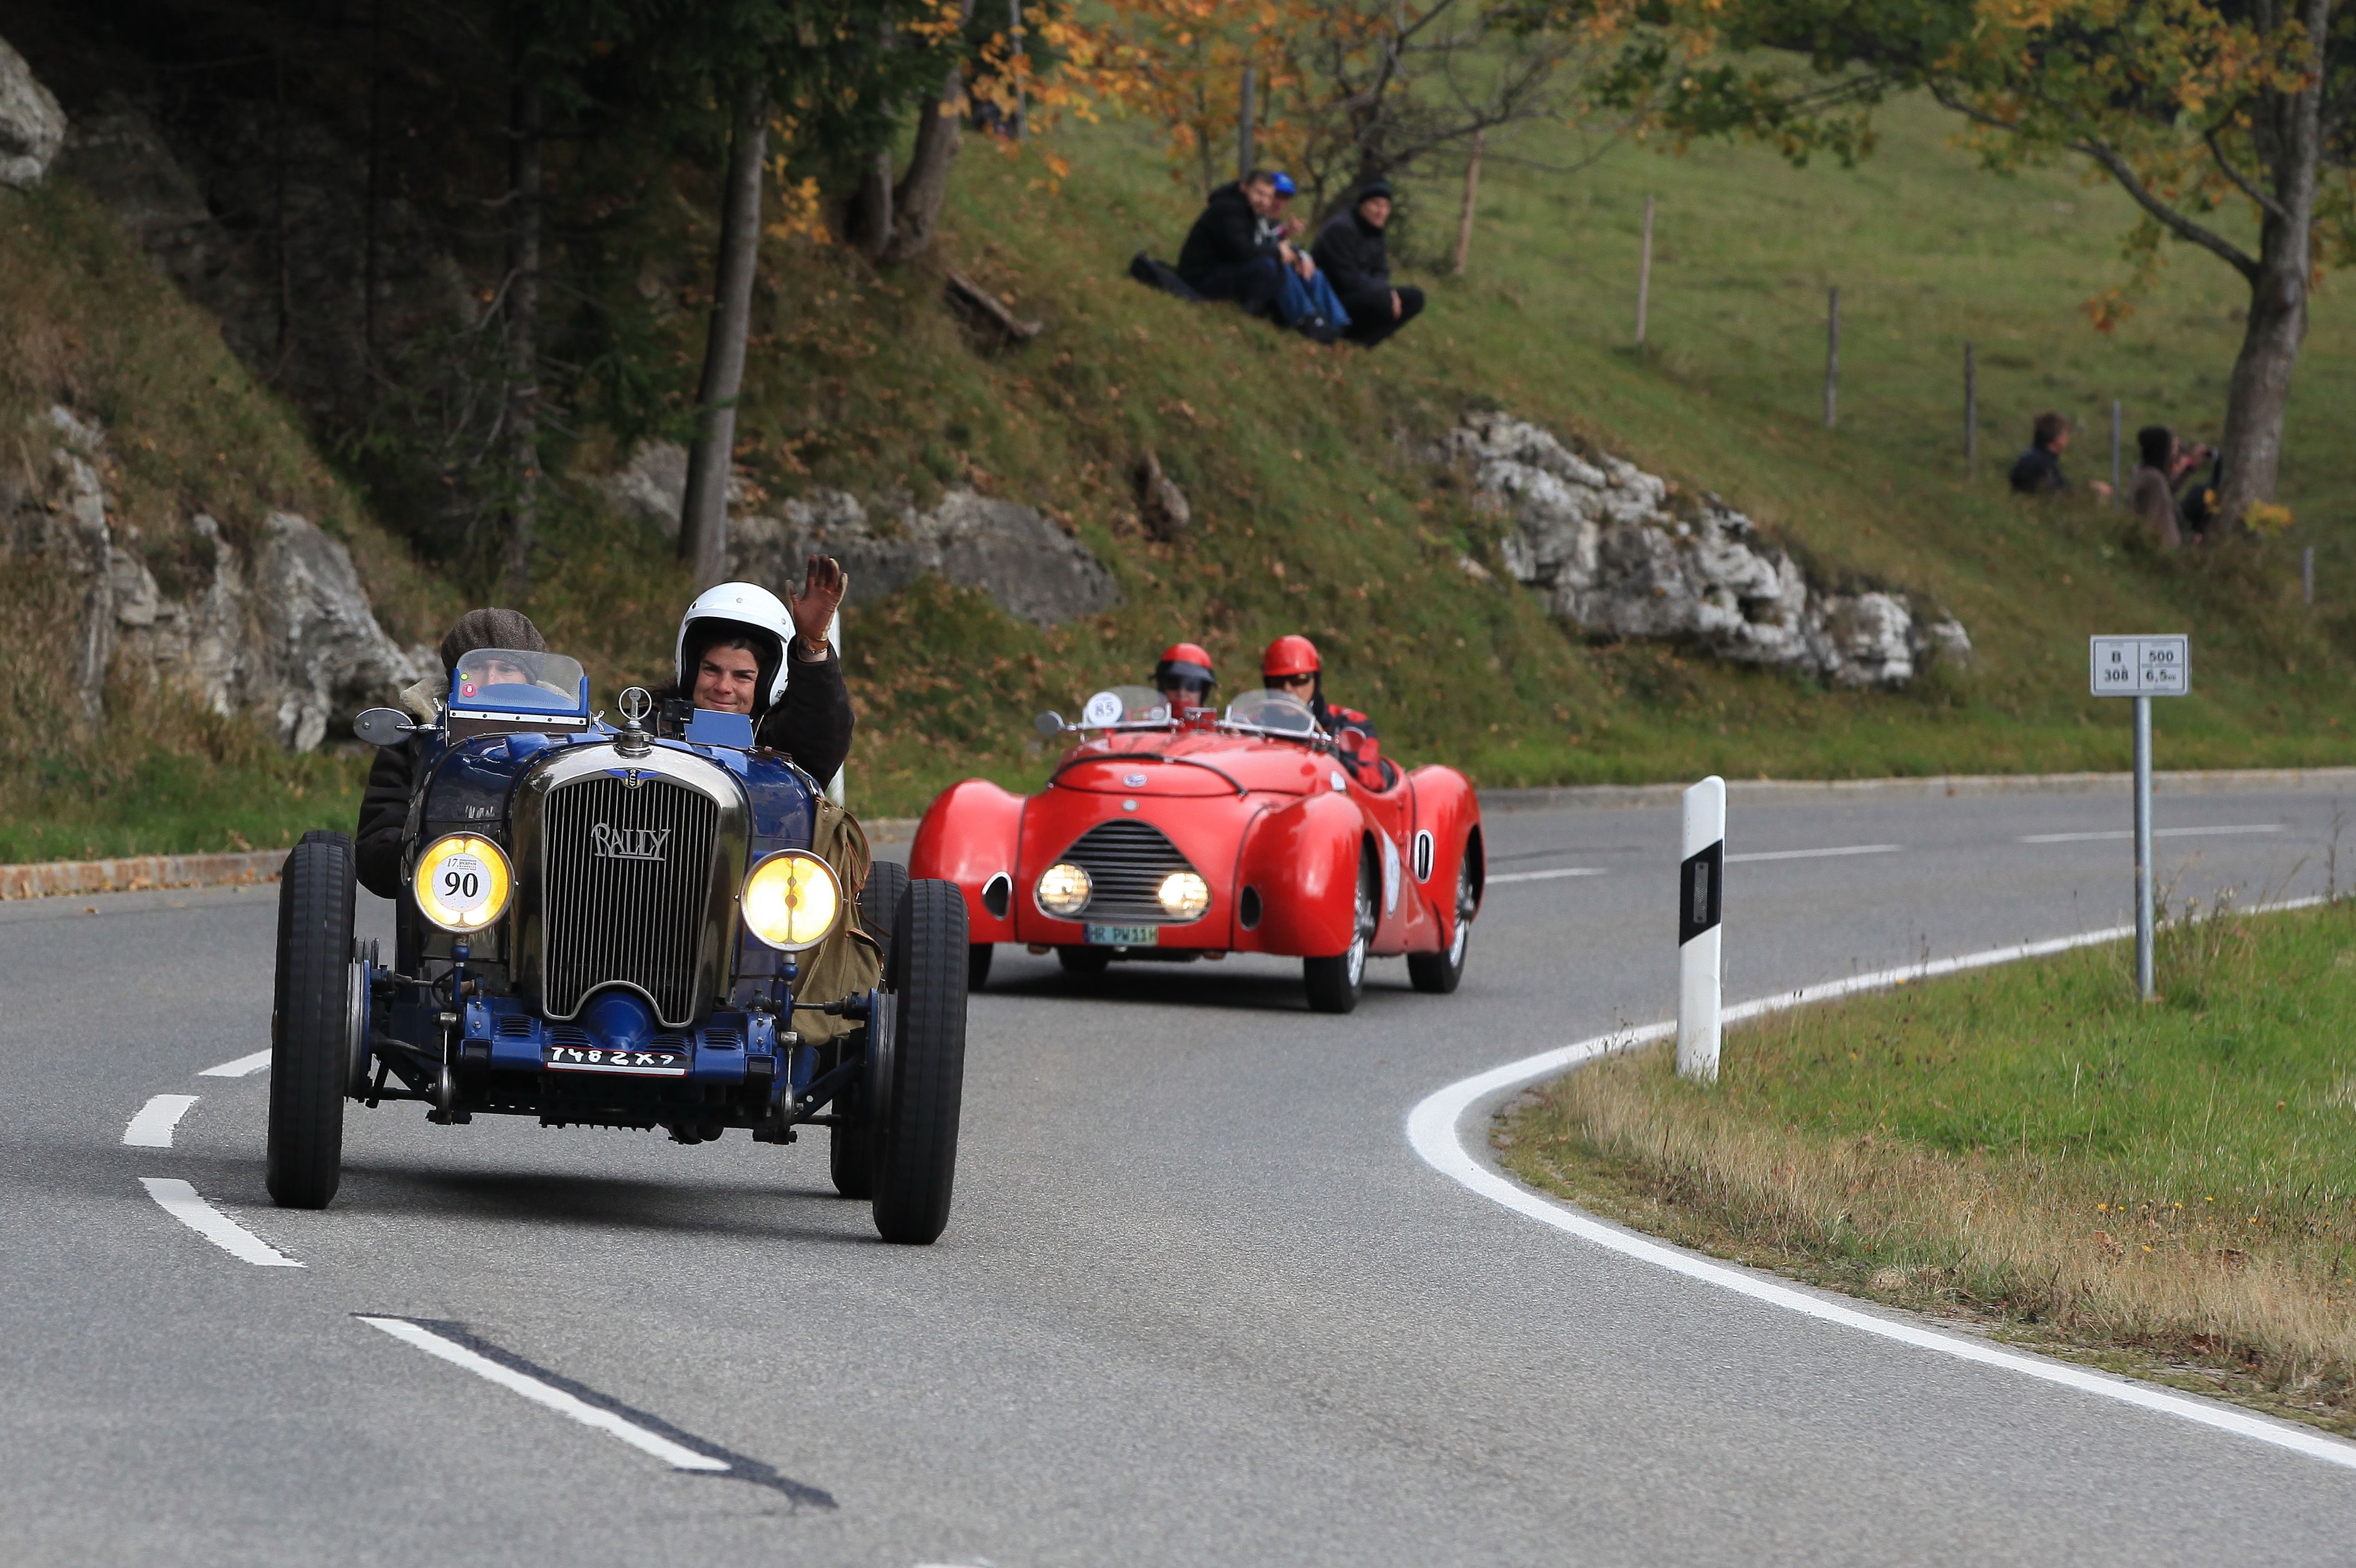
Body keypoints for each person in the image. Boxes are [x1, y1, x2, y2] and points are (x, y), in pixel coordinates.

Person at [355, 607, 545, 900]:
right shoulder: (415, 736)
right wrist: (423, 848)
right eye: (477, 667)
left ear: (529, 679)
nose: (490, 681)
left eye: (506, 669)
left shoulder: (567, 740)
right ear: (455, 677)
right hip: (450, 900)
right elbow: (374, 852)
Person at [650, 556, 855, 787]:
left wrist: (813, 647)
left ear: (770, 681)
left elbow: (822, 735)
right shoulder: (649, 733)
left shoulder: (783, 742)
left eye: (743, 676)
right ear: (690, 669)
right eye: (711, 670)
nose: (723, 687)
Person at [1262, 634, 1390, 785]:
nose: (1287, 689)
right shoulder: (1250, 723)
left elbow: (1374, 780)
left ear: (1316, 681)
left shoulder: (1350, 723)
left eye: (1299, 679)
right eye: (1277, 681)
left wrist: (1336, 760)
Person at [1312, 180, 1424, 349]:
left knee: (1415, 298)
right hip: (1332, 297)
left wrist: (1386, 292)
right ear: (1362, 204)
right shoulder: (1342, 229)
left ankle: (1364, 342)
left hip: (1363, 294)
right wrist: (1384, 293)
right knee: (1382, 301)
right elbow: (1347, 279)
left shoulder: (1375, 231)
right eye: (1376, 205)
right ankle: (1344, 332)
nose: (1381, 212)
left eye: (1386, 206)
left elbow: (1382, 271)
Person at [1176, 170, 1286, 318]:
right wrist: (1277, 251)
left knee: (1277, 265)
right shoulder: (1229, 209)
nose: (1264, 201)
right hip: (1200, 277)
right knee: (1266, 266)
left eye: (1269, 197)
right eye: (1260, 193)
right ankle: (1250, 310)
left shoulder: (1248, 210)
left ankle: (1269, 311)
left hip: (1218, 268)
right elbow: (1241, 252)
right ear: (1244, 188)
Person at [1258, 173, 1349, 344]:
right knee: (1285, 266)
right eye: (1277, 196)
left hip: (1271, 266)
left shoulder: (1274, 222)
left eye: (1285, 198)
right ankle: (1306, 318)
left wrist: (1301, 254)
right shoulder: (1255, 216)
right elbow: (1263, 244)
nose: (1279, 203)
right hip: (1262, 273)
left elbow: (1278, 240)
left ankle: (1337, 322)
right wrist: (1289, 245)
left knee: (1313, 272)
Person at [2128, 425, 2217, 551]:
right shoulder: (2155, 480)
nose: (2175, 452)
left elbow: (2167, 489)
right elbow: (2162, 499)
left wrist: (2190, 466)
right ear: (2162, 450)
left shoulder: (2141, 471)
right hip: (2162, 548)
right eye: (2173, 447)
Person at [2007, 412, 2112, 499]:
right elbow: (2061, 492)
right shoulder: (2044, 463)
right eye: (2066, 434)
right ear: (2057, 439)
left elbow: (2060, 484)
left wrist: (2090, 485)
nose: (2068, 438)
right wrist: (2092, 491)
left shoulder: (2032, 455)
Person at [1153, 641, 1217, 712]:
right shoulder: (1146, 720)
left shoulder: (1210, 723)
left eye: (1192, 686)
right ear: (1162, 687)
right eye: (1174, 684)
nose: (1181, 694)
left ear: (1203, 692)